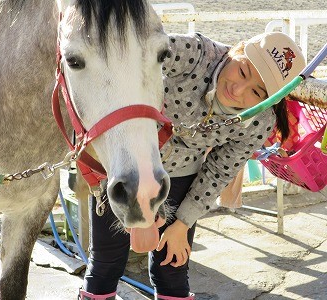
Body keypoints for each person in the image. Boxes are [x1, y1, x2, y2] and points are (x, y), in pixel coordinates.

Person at [78, 31, 306, 300]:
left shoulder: (259, 122)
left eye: (257, 92)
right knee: (106, 261)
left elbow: (219, 170)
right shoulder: (194, 53)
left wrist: (182, 224)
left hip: (180, 176)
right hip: (124, 166)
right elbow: (131, 51)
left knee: (172, 267)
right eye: (242, 72)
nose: (237, 90)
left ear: (270, 100)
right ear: (237, 49)